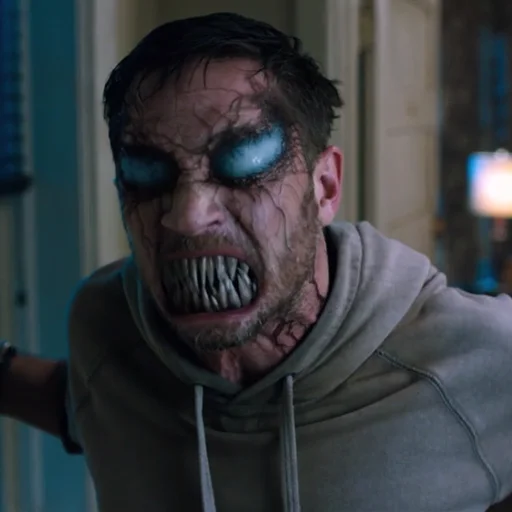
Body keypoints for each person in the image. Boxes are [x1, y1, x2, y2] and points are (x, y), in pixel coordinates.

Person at [1, 12, 512, 512]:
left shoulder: (477, 356)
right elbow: (88, 403)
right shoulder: (104, 326)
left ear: (325, 186)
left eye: (242, 164)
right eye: (147, 175)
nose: (187, 217)